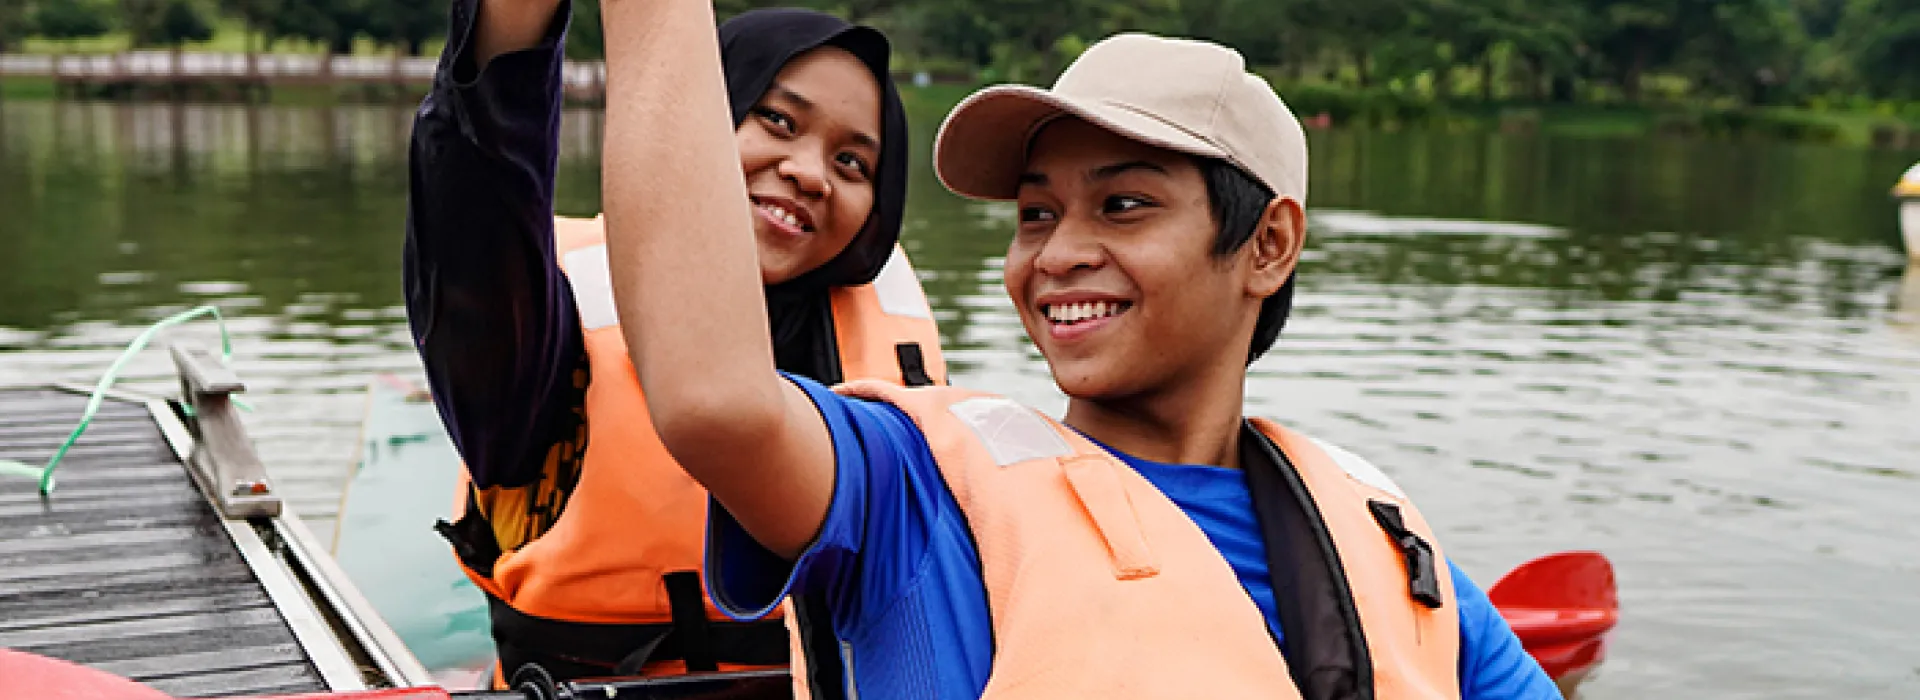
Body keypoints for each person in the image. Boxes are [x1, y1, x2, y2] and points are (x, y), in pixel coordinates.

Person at [601, 2, 1562, 698]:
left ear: (1267, 245)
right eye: (1035, 215)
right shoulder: (912, 486)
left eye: (1124, 205)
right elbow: (713, 401)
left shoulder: (1389, 546)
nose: (1055, 257)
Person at [402, 0, 942, 687]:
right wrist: (510, 30)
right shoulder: (542, 330)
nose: (811, 172)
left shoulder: (893, 343)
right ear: (686, 117)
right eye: (776, 119)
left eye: (853, 161)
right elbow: (478, 201)